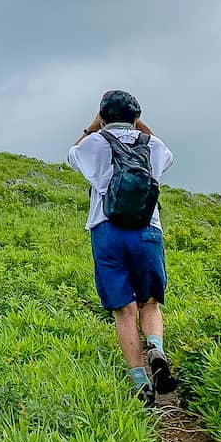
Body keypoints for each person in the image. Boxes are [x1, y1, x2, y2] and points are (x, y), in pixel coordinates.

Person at [67, 89, 177, 406]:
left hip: (107, 230)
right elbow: (165, 153)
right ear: (135, 117)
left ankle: (141, 383)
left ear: (103, 116)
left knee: (124, 310)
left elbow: (72, 154)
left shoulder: (94, 143)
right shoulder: (152, 145)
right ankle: (155, 346)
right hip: (147, 230)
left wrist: (93, 126)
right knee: (150, 302)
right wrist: (138, 124)